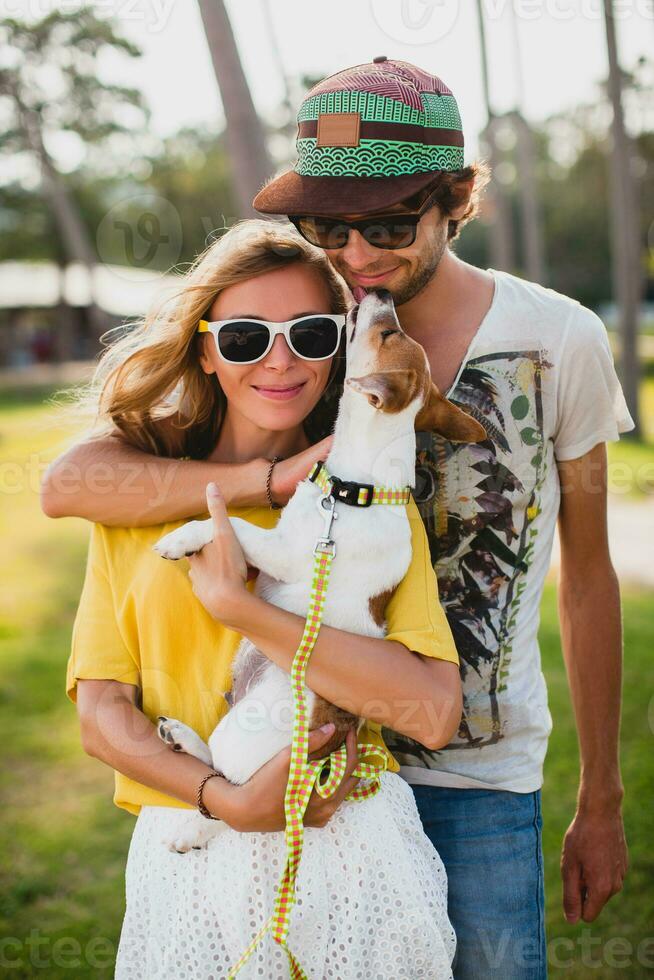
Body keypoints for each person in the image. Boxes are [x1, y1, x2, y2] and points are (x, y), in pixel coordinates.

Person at [42, 59, 633, 979]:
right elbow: (80, 483)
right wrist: (271, 479)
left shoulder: (559, 340)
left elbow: (588, 577)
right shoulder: (304, 352)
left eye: (390, 224)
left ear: (457, 202)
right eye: (328, 227)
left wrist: (602, 797)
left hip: (471, 771)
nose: (356, 254)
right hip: (256, 785)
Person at [55, 220, 461, 978]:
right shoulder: (132, 503)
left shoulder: (374, 506)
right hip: (187, 847)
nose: (281, 361)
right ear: (207, 350)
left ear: (340, 346)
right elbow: (102, 710)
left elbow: (431, 713)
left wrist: (248, 612)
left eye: (310, 334)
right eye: (246, 338)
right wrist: (223, 801)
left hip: (350, 845)